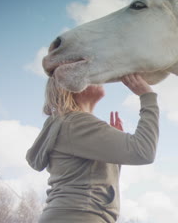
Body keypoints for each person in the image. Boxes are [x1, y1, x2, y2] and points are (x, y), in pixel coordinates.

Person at [26, 73, 159, 223]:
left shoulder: (71, 125)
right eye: (88, 72)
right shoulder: (76, 123)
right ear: (72, 87)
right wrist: (148, 96)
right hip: (79, 216)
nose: (98, 75)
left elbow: (96, 182)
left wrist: (115, 157)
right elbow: (144, 151)